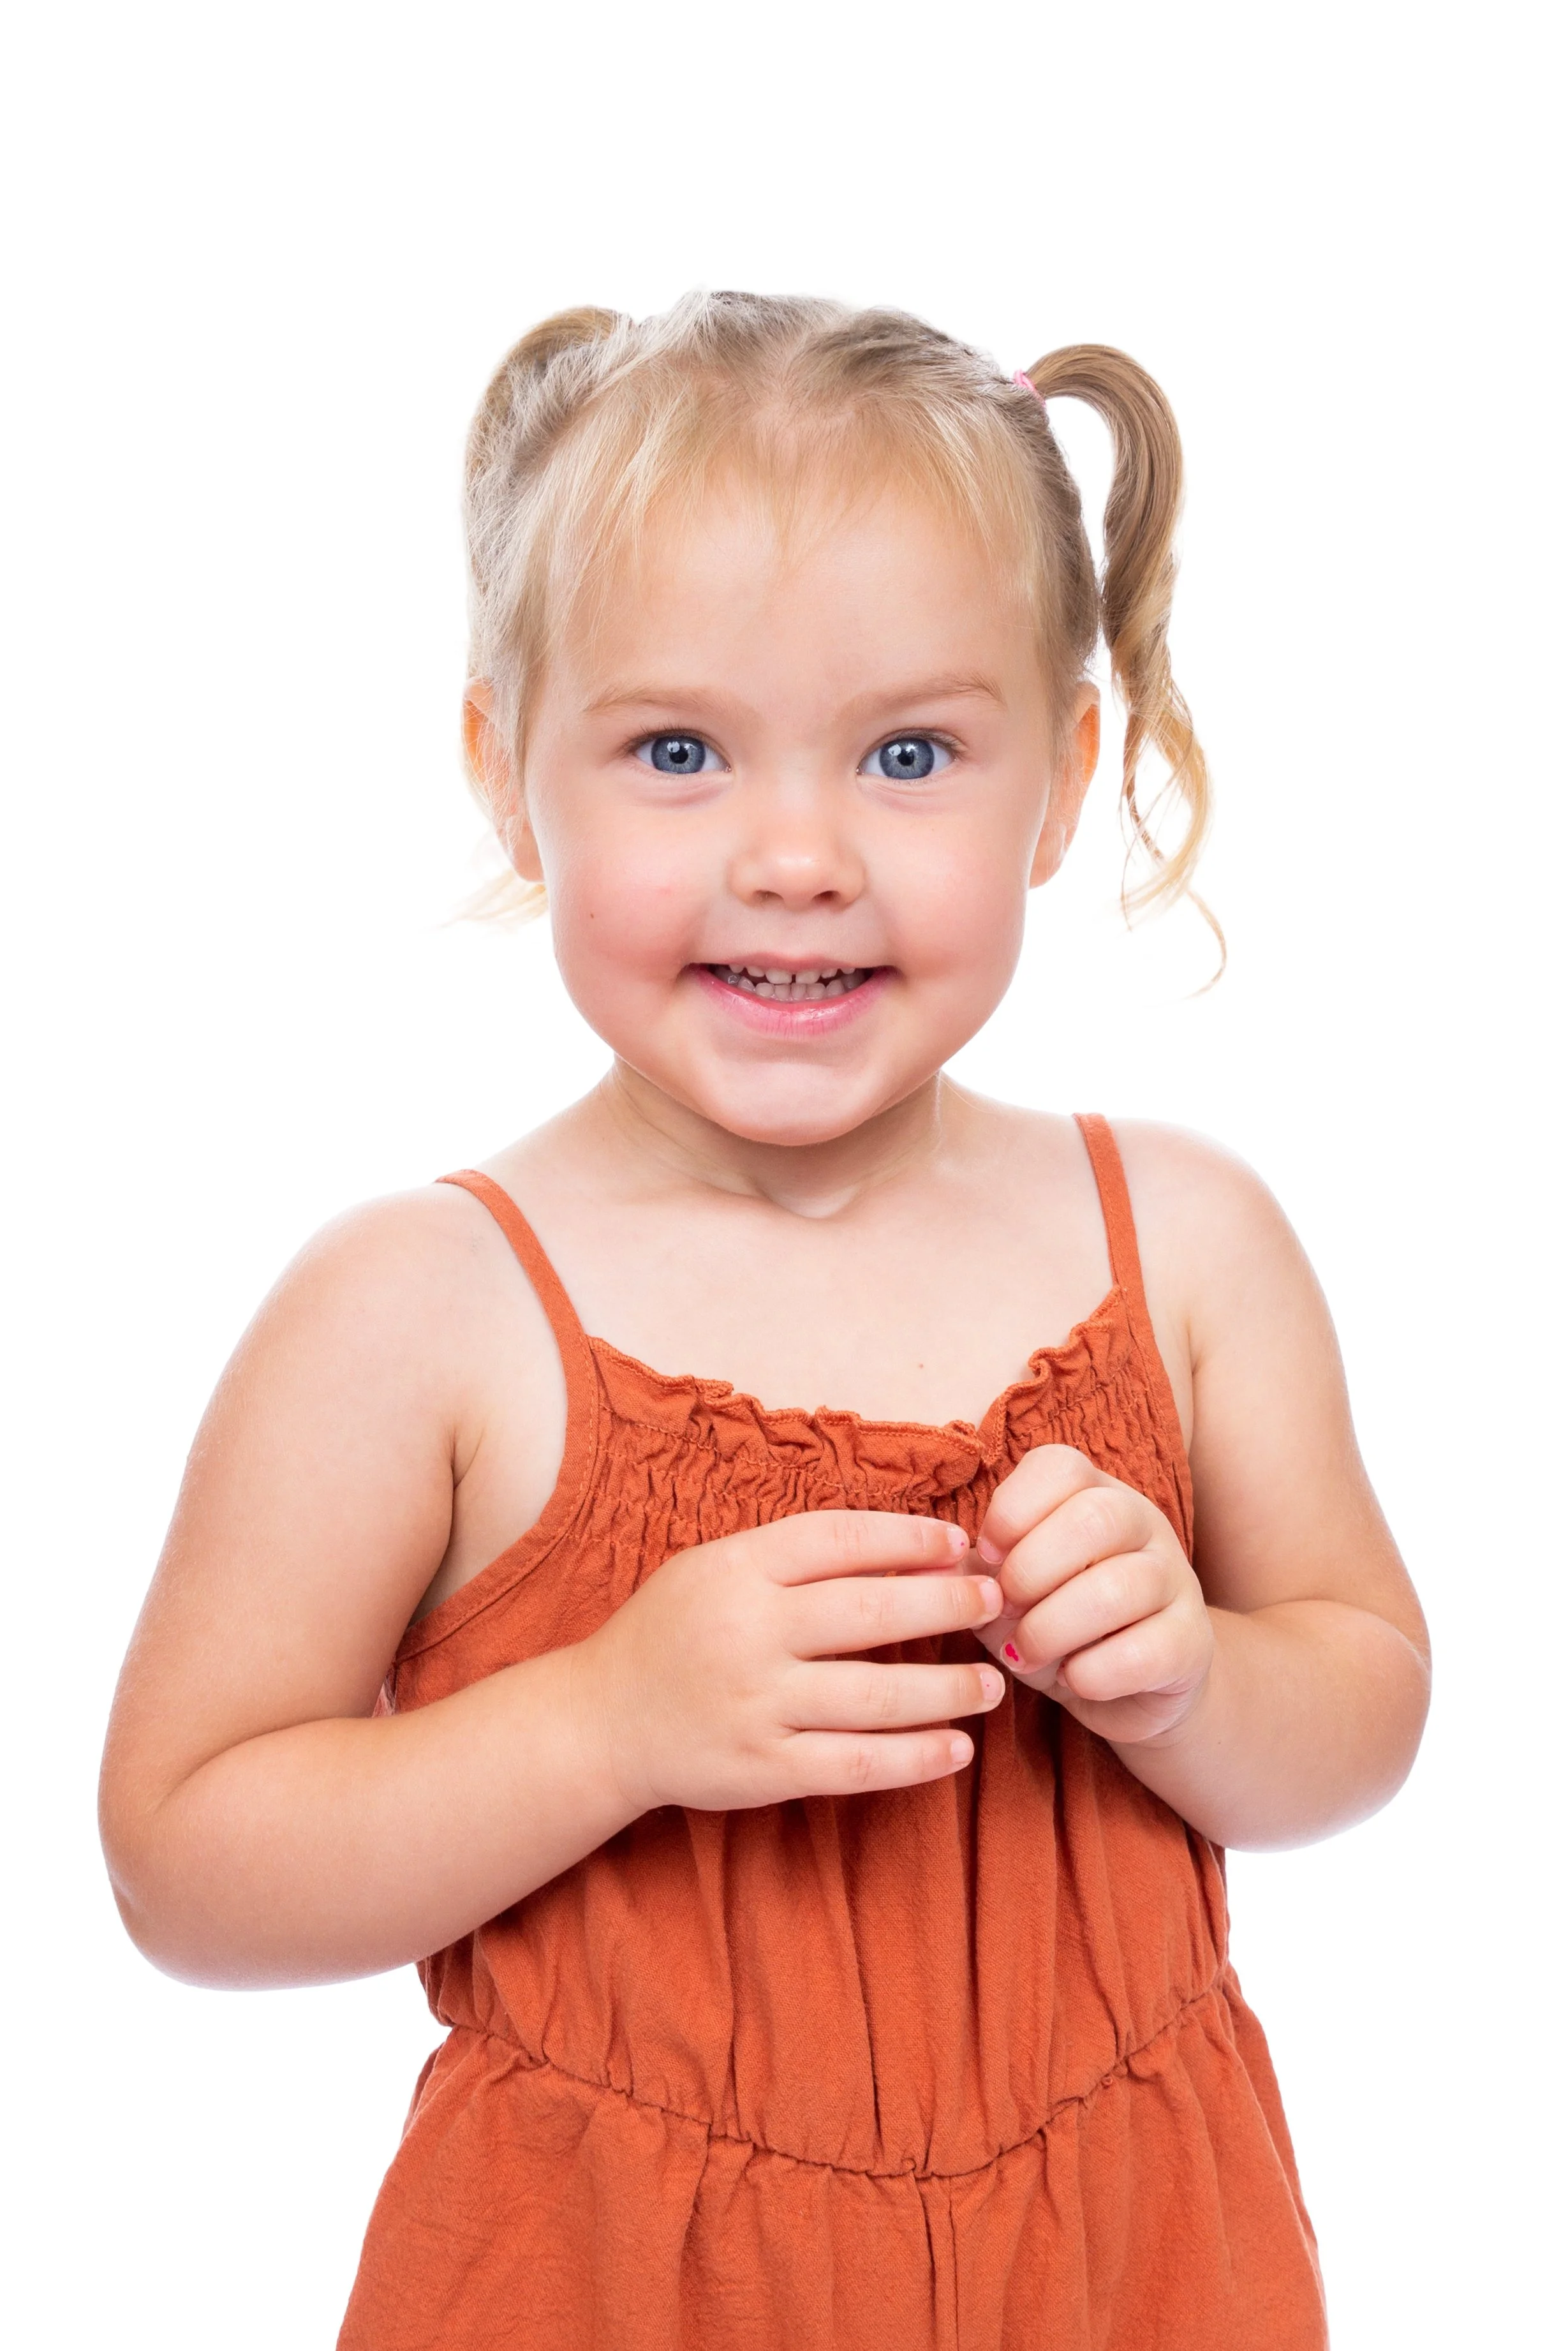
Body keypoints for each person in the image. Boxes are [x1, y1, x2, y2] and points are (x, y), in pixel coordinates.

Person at [99, 292, 1430, 2348]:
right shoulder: (418, 1312)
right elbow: (185, 1859)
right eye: (677, 751)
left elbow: (1361, 1701)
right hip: (608, 2283)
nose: (795, 856)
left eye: (910, 753)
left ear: (1064, 779)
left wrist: (1195, 1677)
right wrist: (605, 1720)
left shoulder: (1185, 1242)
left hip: (1130, 2261)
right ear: (505, 767)